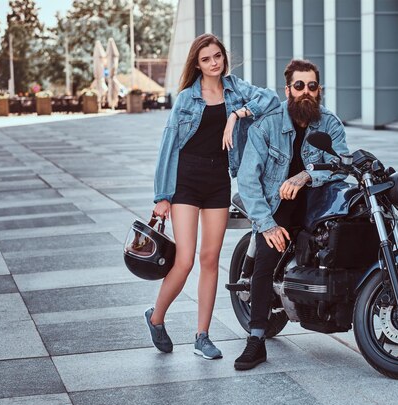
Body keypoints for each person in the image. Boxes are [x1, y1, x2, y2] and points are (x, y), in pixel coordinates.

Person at [146, 34, 279, 359]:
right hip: (186, 183)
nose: (214, 63)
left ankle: (201, 336)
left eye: (217, 56)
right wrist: (162, 196)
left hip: (219, 182)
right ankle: (155, 317)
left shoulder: (237, 90)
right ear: (197, 63)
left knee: (210, 260)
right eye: (206, 59)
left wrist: (237, 115)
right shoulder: (186, 99)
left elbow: (273, 99)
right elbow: (169, 146)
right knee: (186, 260)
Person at [234, 59, 349, 370]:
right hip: (277, 206)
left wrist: (308, 175)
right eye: (299, 86)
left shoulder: (329, 123)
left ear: (319, 90)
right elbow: (247, 179)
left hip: (316, 204)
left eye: (312, 86)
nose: (306, 92)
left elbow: (341, 163)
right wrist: (267, 226)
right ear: (288, 90)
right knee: (266, 260)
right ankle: (256, 339)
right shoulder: (268, 124)